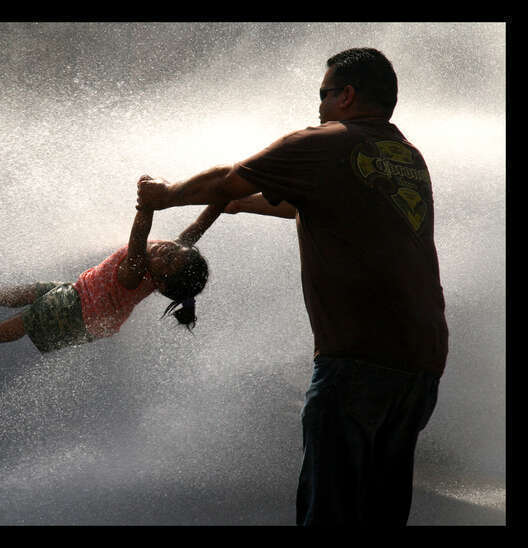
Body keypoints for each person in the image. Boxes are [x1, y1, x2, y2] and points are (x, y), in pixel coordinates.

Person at [136, 48, 448, 526]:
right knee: (380, 513)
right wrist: (244, 206)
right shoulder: (405, 158)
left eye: (323, 95)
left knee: (330, 512)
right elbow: (310, 205)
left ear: (346, 95)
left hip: (356, 358)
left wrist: (166, 193)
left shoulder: (324, 142)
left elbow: (226, 179)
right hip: (420, 363)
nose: (318, 106)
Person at [0, 200, 225, 354]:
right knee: (35, 292)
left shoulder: (135, 271)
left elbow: (139, 235)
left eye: (168, 259)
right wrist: (222, 198)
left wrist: (147, 204)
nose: (167, 249)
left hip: (80, 311)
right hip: (84, 299)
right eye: (175, 250)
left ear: (161, 280)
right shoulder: (167, 261)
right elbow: (196, 229)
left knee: (31, 317)